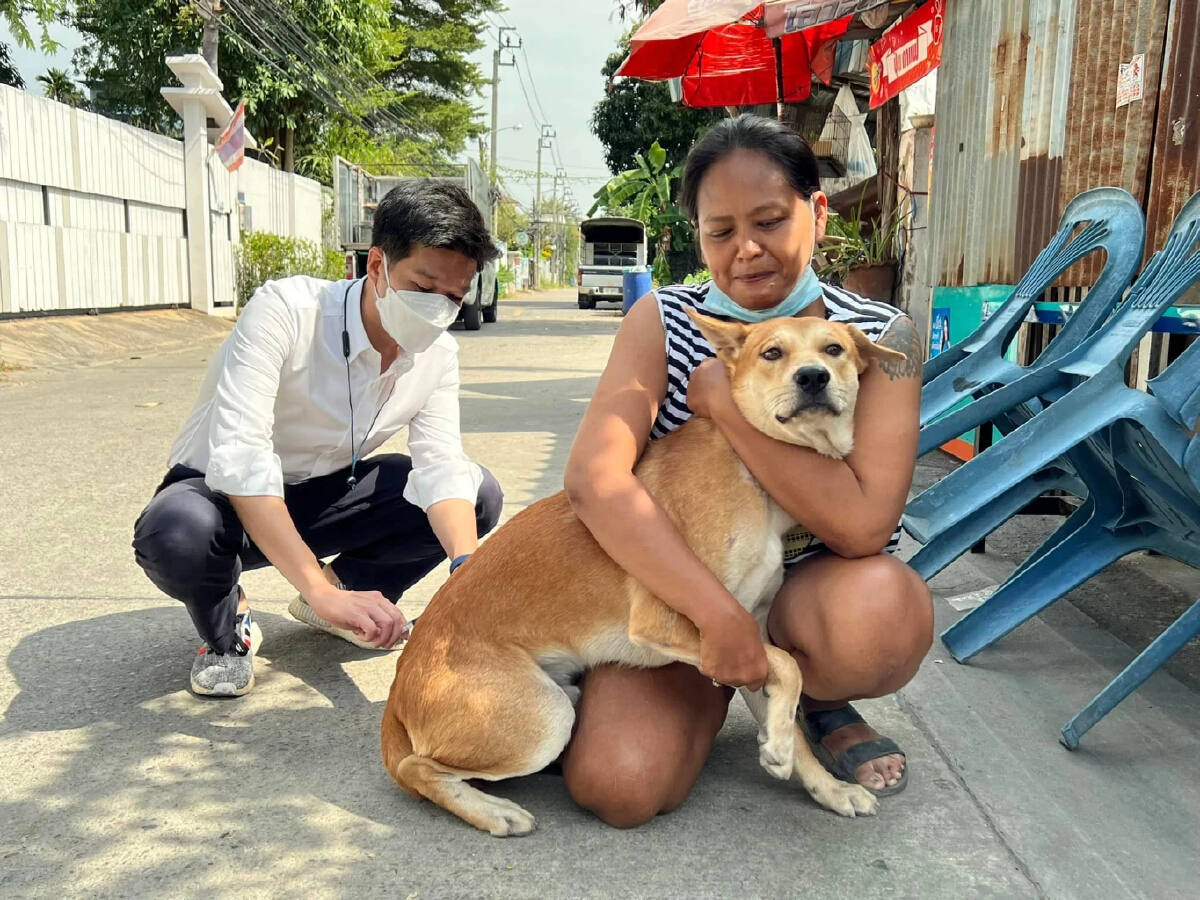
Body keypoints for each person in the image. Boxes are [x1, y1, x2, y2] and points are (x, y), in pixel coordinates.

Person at [561, 114, 933, 828]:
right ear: (697, 236)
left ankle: (815, 700)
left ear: (817, 213)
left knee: (882, 616)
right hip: (683, 595)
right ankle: (696, 683)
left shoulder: (886, 336)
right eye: (720, 231)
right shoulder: (663, 319)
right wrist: (717, 614)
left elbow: (863, 524)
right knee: (621, 785)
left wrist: (725, 407)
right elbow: (593, 480)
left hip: (812, 591)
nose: (747, 250)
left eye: (768, 220)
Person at [132, 181, 504, 697]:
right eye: (424, 286)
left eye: (454, 298)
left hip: (327, 492)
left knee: (475, 493)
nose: (437, 310)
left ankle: (344, 594)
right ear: (376, 266)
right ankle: (227, 627)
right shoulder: (286, 311)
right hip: (223, 501)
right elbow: (242, 458)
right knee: (176, 532)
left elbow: (440, 464)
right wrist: (310, 580)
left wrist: (467, 569)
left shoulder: (438, 356)